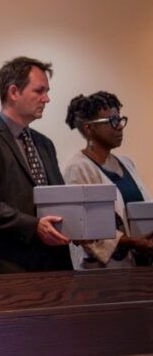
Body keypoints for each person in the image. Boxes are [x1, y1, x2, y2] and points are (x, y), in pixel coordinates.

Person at [0, 56, 71, 274]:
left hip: (54, 266)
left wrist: (78, 227)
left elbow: (57, 196)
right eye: (39, 91)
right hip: (6, 268)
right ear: (13, 92)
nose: (47, 99)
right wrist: (34, 226)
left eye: (47, 91)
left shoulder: (44, 143)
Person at [63, 91, 152, 268]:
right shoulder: (78, 168)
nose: (119, 127)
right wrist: (133, 242)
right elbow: (85, 228)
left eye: (120, 119)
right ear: (89, 128)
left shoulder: (126, 163)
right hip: (105, 272)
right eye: (112, 121)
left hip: (141, 264)